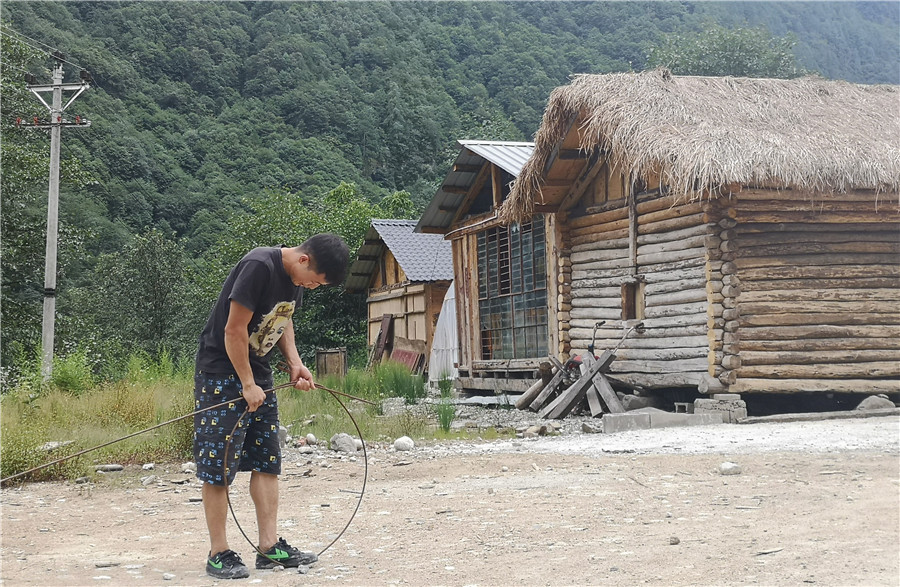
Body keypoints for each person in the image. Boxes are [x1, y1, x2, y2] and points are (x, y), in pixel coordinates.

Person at [193, 233, 349, 579]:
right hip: (222, 372)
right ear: (304, 260)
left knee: (267, 460)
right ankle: (218, 552)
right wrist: (246, 385)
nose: (312, 288)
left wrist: (294, 361)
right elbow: (233, 331)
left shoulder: (293, 279)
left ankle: (268, 547)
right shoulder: (258, 266)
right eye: (315, 282)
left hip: (259, 374)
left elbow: (282, 318)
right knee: (218, 465)